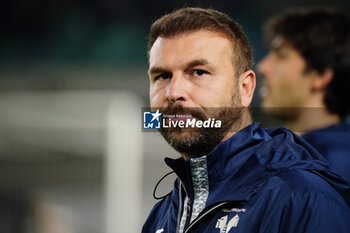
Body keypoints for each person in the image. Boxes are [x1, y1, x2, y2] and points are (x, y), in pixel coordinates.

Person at [143, 7, 350, 233]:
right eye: (162, 76)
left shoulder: (302, 198)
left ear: (246, 88)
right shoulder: (163, 213)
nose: (173, 92)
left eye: (198, 72)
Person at [257, 8, 350, 184]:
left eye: (281, 56)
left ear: (319, 76)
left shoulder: (335, 165)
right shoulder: (292, 153)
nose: (263, 67)